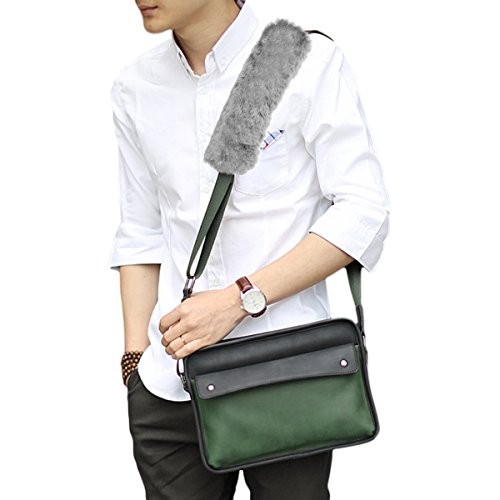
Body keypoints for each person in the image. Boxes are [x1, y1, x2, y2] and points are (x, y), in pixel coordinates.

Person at [109, 0, 390, 498]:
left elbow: (362, 212)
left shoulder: (303, 61)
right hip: (171, 389)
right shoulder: (135, 86)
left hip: (287, 374)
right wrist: (135, 362)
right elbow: (141, 229)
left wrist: (239, 300)